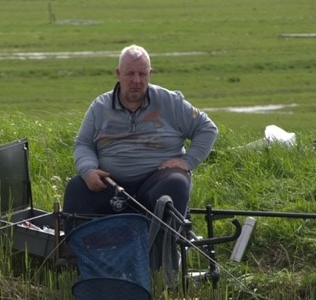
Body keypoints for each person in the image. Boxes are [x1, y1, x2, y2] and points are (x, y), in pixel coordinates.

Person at [63, 44, 218, 232]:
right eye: (130, 74)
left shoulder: (171, 102)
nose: (136, 80)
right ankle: (84, 256)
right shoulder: (100, 106)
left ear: (150, 75)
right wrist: (88, 171)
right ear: (119, 74)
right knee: (76, 188)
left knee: (177, 183)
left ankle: (162, 255)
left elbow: (207, 128)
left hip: (157, 181)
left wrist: (188, 162)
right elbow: (84, 143)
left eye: (142, 74)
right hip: (111, 186)